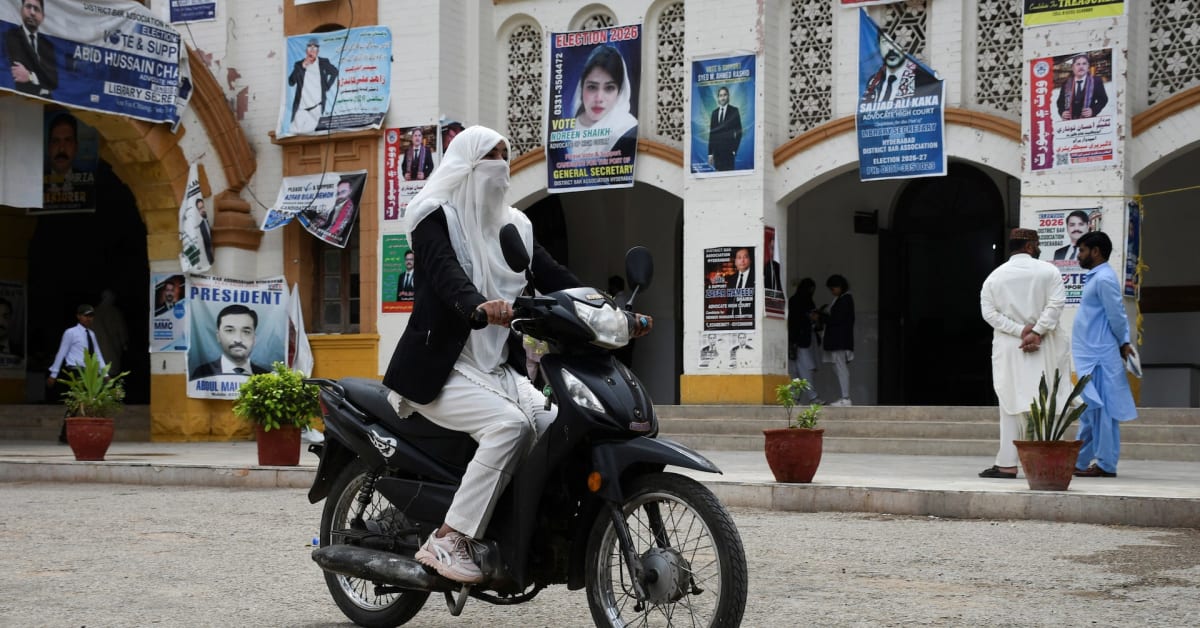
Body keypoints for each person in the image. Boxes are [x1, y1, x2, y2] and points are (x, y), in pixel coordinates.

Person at [381, 125, 652, 584]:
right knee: (509, 425)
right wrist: (478, 307)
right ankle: (448, 538)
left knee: (552, 427)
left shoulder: (515, 227)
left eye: (507, 156)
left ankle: (518, 532)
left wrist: (611, 311)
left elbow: (555, 277)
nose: (501, 168)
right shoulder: (432, 215)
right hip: (439, 370)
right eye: (492, 156)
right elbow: (447, 277)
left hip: (493, 368)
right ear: (466, 163)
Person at [978, 228, 1071, 479]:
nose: (1038, 248)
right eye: (1037, 244)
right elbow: (1056, 305)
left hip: (1011, 348)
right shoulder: (1049, 271)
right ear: (1030, 246)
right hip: (1045, 346)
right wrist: (1037, 332)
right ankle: (1047, 462)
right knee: (1047, 403)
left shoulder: (994, 278)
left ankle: (1007, 463)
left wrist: (1020, 331)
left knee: (1010, 404)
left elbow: (989, 314)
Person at [1072, 231, 1137, 477]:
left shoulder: (1104, 279)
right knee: (1091, 412)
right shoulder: (1096, 277)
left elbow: (1117, 316)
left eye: (1082, 250)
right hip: (1091, 354)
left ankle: (1106, 465)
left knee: (1103, 412)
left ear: (1095, 252)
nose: (1078, 255)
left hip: (1100, 355)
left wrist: (1124, 343)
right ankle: (1078, 462)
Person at [47, 304, 105, 443]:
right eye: (85, 315)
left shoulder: (91, 334)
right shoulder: (71, 333)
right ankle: (65, 435)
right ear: (78, 316)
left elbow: (97, 354)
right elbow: (62, 353)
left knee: (90, 403)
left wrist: (104, 373)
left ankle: (81, 434)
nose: (88, 319)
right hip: (75, 371)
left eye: (91, 316)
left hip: (88, 373)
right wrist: (53, 374)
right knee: (75, 404)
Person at [570, 45, 638, 156]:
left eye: (609, 88)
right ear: (582, 87)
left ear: (619, 92)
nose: (599, 99)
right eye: (592, 87)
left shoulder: (626, 128)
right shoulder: (568, 128)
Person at [190, 304, 270, 379]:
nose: (238, 339)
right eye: (229, 330)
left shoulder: (266, 377)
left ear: (254, 338)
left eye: (246, 332)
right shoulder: (201, 374)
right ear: (218, 336)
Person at [860, 30, 937, 105]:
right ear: (878, 46)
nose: (891, 48)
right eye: (885, 42)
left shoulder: (923, 79)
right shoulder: (873, 82)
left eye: (896, 42)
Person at [6, 0, 57, 98]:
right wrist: (43, 78)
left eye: (36, 9)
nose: (32, 12)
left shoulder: (48, 46)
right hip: (19, 99)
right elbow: (18, 72)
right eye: (28, 7)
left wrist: (30, 76)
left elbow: (54, 82)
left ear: (42, 16)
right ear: (21, 10)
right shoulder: (12, 36)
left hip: (47, 101)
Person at [288, 38, 338, 134]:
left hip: (316, 107)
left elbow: (334, 72)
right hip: (301, 109)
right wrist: (303, 66)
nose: (312, 49)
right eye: (309, 47)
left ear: (318, 51)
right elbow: (291, 82)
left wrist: (327, 86)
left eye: (315, 47)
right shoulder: (298, 64)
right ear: (306, 50)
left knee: (314, 134)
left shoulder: (323, 62)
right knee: (292, 133)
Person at [819, 274, 855, 407]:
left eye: (833, 288)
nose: (832, 292)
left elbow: (836, 320)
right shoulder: (841, 299)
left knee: (841, 368)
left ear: (840, 287)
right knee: (837, 367)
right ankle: (844, 397)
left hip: (840, 340)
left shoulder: (845, 300)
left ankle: (846, 398)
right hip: (837, 340)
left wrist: (821, 317)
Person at [787, 278, 822, 403]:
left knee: (796, 371)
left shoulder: (794, 300)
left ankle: (795, 398)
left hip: (797, 340)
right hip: (801, 341)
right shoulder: (802, 301)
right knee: (805, 369)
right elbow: (797, 321)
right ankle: (813, 397)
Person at [1056, 53, 1108, 121]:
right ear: (1072, 67)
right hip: (1070, 122)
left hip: (1089, 121)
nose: (1081, 67)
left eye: (1084, 64)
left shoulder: (1096, 81)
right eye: (1078, 64)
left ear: (1088, 66)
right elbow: (1060, 102)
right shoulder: (1066, 83)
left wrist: (1093, 111)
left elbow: (1103, 100)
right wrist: (1062, 112)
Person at [91, 289, 129, 376]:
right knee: (110, 376)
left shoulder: (93, 312)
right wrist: (124, 344)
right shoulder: (115, 312)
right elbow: (122, 331)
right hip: (112, 352)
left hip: (96, 353)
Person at [707, 86, 743, 171]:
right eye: (720, 95)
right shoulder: (714, 113)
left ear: (728, 96)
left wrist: (734, 149)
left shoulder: (734, 111)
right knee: (719, 178)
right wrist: (710, 154)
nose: (722, 98)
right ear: (718, 98)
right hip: (717, 154)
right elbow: (712, 134)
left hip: (729, 153)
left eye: (724, 95)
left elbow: (739, 131)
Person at [44, 113, 77, 178]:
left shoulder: (92, 183)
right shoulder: (34, 180)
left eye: (67, 141)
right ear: (48, 147)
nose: (61, 149)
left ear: (76, 147)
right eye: (56, 141)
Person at [196, 197, 214, 265]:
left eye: (203, 207)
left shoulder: (211, 218)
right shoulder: (200, 226)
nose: (202, 210)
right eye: (200, 209)